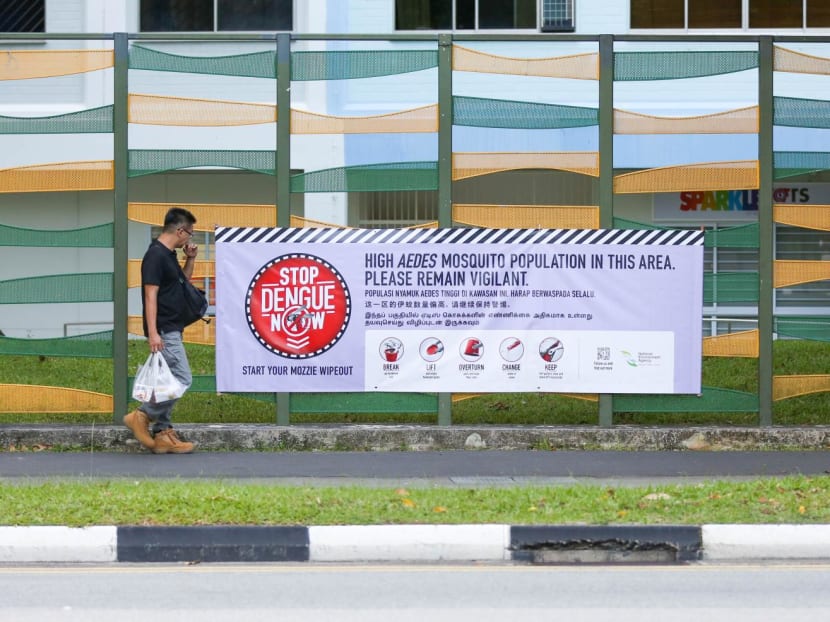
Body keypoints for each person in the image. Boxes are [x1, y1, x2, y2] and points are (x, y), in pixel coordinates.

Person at [124, 207, 197, 454]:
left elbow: (181, 284)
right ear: (179, 230)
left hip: (172, 326)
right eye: (190, 233)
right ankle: (142, 415)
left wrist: (190, 259)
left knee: (166, 381)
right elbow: (150, 294)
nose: (190, 238)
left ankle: (163, 433)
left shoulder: (168, 255)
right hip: (164, 329)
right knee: (183, 378)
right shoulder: (155, 256)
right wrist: (153, 332)